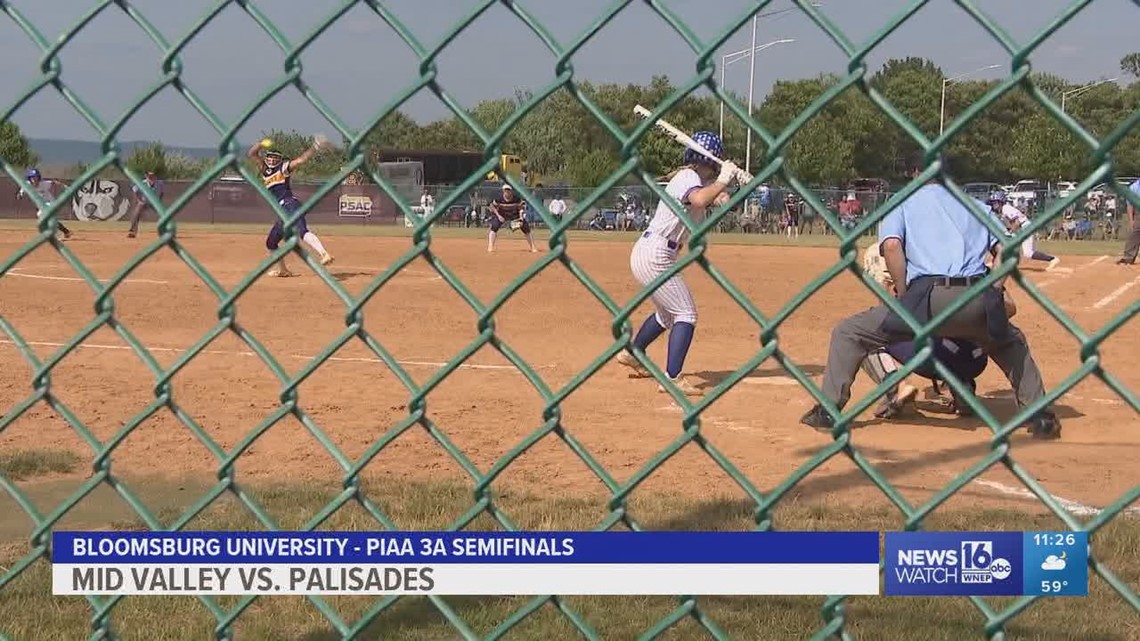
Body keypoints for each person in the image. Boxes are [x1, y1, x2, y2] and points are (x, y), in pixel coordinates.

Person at [800, 151, 1061, 439]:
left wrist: (903, 292)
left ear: (916, 173)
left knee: (850, 332)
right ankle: (1042, 417)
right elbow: (1009, 251)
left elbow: (891, 247)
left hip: (926, 297)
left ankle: (828, 411)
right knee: (1011, 342)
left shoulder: (902, 202)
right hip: (976, 295)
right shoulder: (976, 206)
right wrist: (994, 289)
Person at [616, 131, 738, 396]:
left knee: (666, 315)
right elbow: (699, 199)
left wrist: (721, 192)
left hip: (654, 252)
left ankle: (633, 353)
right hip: (656, 254)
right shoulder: (688, 177)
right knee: (686, 314)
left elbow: (707, 199)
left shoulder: (694, 181)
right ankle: (672, 377)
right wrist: (723, 180)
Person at [859, 243, 1005, 418]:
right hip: (975, 358)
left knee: (867, 336)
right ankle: (962, 384)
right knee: (949, 331)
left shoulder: (912, 280)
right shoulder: (964, 265)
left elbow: (887, 321)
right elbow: (1010, 307)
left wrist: (886, 285)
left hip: (936, 353)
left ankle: (896, 386)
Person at [246, 137, 334, 277]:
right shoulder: (265, 171)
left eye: (276, 158)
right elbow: (252, 153)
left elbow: (300, 160)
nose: (272, 160)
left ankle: (324, 254)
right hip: (282, 211)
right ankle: (283, 270)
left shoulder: (283, 168)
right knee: (271, 243)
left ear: (280, 160)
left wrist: (315, 147)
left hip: (290, 204)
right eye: (270, 157)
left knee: (302, 231)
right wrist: (261, 144)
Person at [985, 191, 1060, 270]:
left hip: (1025, 228)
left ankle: (1052, 259)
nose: (993, 204)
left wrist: (1010, 233)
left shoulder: (1005, 208)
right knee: (1004, 246)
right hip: (1022, 229)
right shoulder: (1003, 210)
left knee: (1028, 253)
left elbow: (1017, 223)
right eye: (993, 202)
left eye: (995, 202)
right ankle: (996, 261)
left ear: (1001, 202)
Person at [16, 169, 72, 240]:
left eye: (36, 177)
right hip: (41, 205)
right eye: (32, 178)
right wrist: (20, 194)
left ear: (39, 178)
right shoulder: (27, 185)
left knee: (41, 215)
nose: (34, 180)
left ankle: (56, 235)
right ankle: (66, 231)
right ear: (29, 179)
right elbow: (22, 191)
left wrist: (65, 186)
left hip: (50, 202)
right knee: (48, 219)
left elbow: (54, 182)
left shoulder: (44, 184)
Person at [487, 184, 537, 253]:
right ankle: (490, 246)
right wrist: (498, 216)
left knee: (526, 228)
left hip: (514, 215)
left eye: (508, 190)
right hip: (502, 215)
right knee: (494, 226)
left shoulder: (516, 199)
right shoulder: (499, 198)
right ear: (503, 191)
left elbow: (521, 208)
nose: (507, 192)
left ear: (511, 191)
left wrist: (521, 218)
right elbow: (492, 206)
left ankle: (533, 247)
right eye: (505, 190)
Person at [127, 171, 164, 238]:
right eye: (149, 176)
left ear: (155, 176)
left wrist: (159, 200)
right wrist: (139, 201)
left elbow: (162, 192)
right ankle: (133, 231)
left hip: (155, 202)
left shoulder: (160, 183)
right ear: (146, 177)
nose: (151, 178)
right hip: (145, 201)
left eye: (152, 176)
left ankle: (165, 231)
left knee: (164, 214)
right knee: (136, 213)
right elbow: (135, 191)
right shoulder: (142, 183)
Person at [1117, 178, 1140, 265]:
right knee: (1134, 234)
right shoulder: (1134, 187)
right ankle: (1128, 258)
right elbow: (1130, 205)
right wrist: (1131, 220)